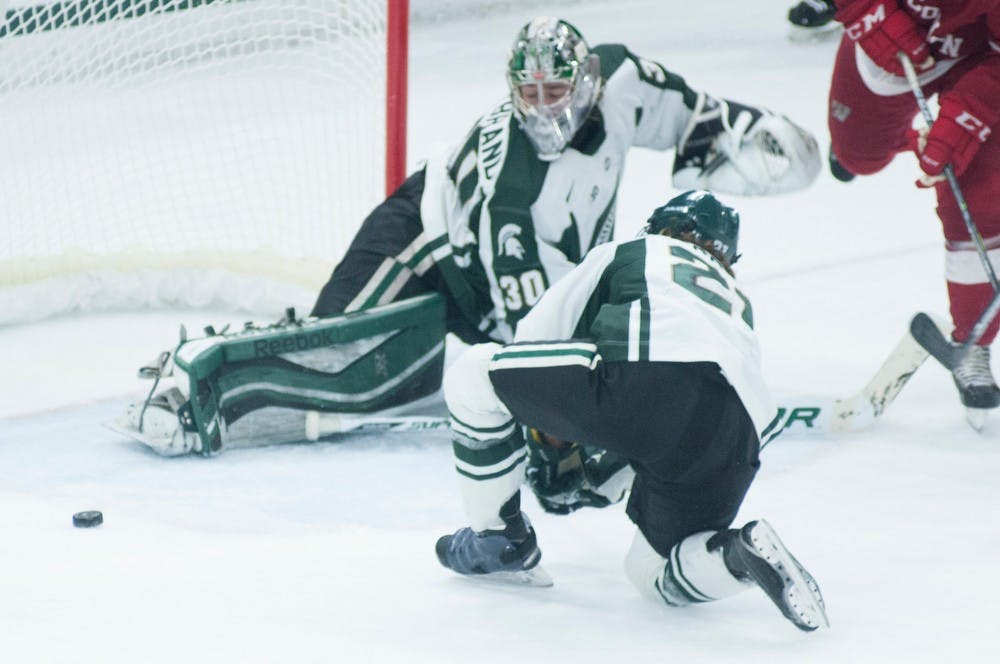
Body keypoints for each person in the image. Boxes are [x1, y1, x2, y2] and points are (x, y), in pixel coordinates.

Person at [114, 16, 822, 456]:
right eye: (531, 94)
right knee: (350, 368)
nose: (546, 109)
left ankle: (225, 370)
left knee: (385, 373)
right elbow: (536, 338)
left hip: (488, 281)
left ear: (590, 79)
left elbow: (700, 122)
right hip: (424, 248)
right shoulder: (517, 194)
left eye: (558, 90)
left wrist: (754, 138)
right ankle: (198, 375)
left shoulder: (628, 79)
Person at [435, 191, 830, 633]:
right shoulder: (737, 300)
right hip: (739, 441)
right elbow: (681, 418)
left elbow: (532, 340)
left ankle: (496, 540)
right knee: (652, 573)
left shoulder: (634, 252)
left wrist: (552, 440)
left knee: (471, 376)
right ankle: (736, 555)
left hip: (646, 382)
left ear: (666, 227)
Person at [826, 1, 1000, 423]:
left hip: (980, 56)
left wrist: (971, 113)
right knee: (859, 155)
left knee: (981, 191)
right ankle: (900, 141)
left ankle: (972, 341)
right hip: (895, 25)